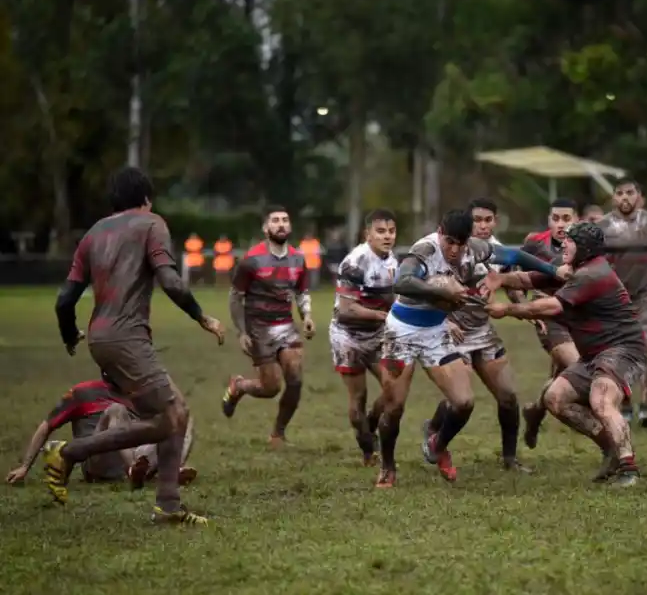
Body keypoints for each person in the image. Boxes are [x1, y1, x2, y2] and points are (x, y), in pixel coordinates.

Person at [51, 166, 224, 526]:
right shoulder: (151, 223)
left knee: (173, 415)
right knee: (172, 415)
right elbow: (172, 282)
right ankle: (72, 452)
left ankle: (168, 504)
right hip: (126, 338)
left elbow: (65, 300)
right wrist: (202, 317)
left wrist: (70, 335)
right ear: (146, 199)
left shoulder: (93, 234)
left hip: (99, 338)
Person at [374, 209, 568, 488]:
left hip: (435, 332)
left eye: (460, 243)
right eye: (449, 241)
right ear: (440, 233)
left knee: (464, 402)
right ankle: (387, 467)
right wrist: (441, 291)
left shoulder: (472, 248)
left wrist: (554, 270)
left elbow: (514, 256)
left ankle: (437, 444)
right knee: (394, 408)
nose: (454, 249)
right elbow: (401, 282)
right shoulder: (425, 249)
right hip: (401, 331)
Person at [482, 222, 647, 487]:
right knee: (555, 397)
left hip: (623, 350)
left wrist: (508, 309)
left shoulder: (593, 274)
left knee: (601, 398)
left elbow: (550, 305)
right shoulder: (574, 268)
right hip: (594, 354)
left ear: (586, 249)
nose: (564, 244)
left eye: (571, 241)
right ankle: (610, 450)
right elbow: (529, 278)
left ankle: (629, 469)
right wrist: (500, 279)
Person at [425, 198, 531, 473]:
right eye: (477, 220)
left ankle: (510, 458)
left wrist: (524, 310)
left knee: (508, 395)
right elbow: (427, 290)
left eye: (488, 220)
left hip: (483, 330)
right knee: (459, 398)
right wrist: (445, 320)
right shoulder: (447, 248)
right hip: (452, 331)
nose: (482, 226)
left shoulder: (497, 252)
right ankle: (435, 434)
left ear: (495, 221)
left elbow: (511, 284)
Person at [223, 206, 316, 448]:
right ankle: (239, 386)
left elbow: (301, 291)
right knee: (270, 388)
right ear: (266, 228)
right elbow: (235, 297)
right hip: (258, 328)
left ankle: (278, 434)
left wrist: (306, 315)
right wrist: (242, 331)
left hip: (286, 325)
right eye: (275, 221)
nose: (281, 224)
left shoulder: (298, 258)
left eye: (285, 220)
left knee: (295, 380)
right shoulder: (251, 260)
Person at [7, 373, 197, 488]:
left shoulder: (135, 394)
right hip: (96, 460)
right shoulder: (83, 392)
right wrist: (25, 466)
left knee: (183, 417)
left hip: (130, 455)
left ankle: (171, 471)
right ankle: (134, 470)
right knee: (116, 410)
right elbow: (46, 426)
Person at [596, 178, 647, 427]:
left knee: (646, 346)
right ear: (613, 198)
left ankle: (645, 407)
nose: (625, 197)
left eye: (630, 193)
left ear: (638, 196)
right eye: (619, 193)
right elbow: (590, 264)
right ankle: (625, 405)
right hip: (614, 300)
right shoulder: (601, 227)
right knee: (618, 354)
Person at [329, 209, 397, 466]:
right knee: (358, 396)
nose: (387, 236)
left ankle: (369, 423)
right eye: (380, 231)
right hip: (348, 337)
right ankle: (368, 449)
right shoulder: (355, 262)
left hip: (378, 335)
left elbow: (393, 298)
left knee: (393, 388)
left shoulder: (393, 260)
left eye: (391, 231)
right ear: (367, 234)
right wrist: (382, 317)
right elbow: (347, 309)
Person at [516, 199, 581, 449]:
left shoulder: (583, 245)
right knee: (578, 366)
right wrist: (526, 308)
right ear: (548, 219)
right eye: (556, 218)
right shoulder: (534, 243)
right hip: (549, 318)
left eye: (566, 218)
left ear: (576, 219)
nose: (561, 224)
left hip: (577, 317)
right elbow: (515, 277)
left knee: (562, 375)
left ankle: (535, 411)